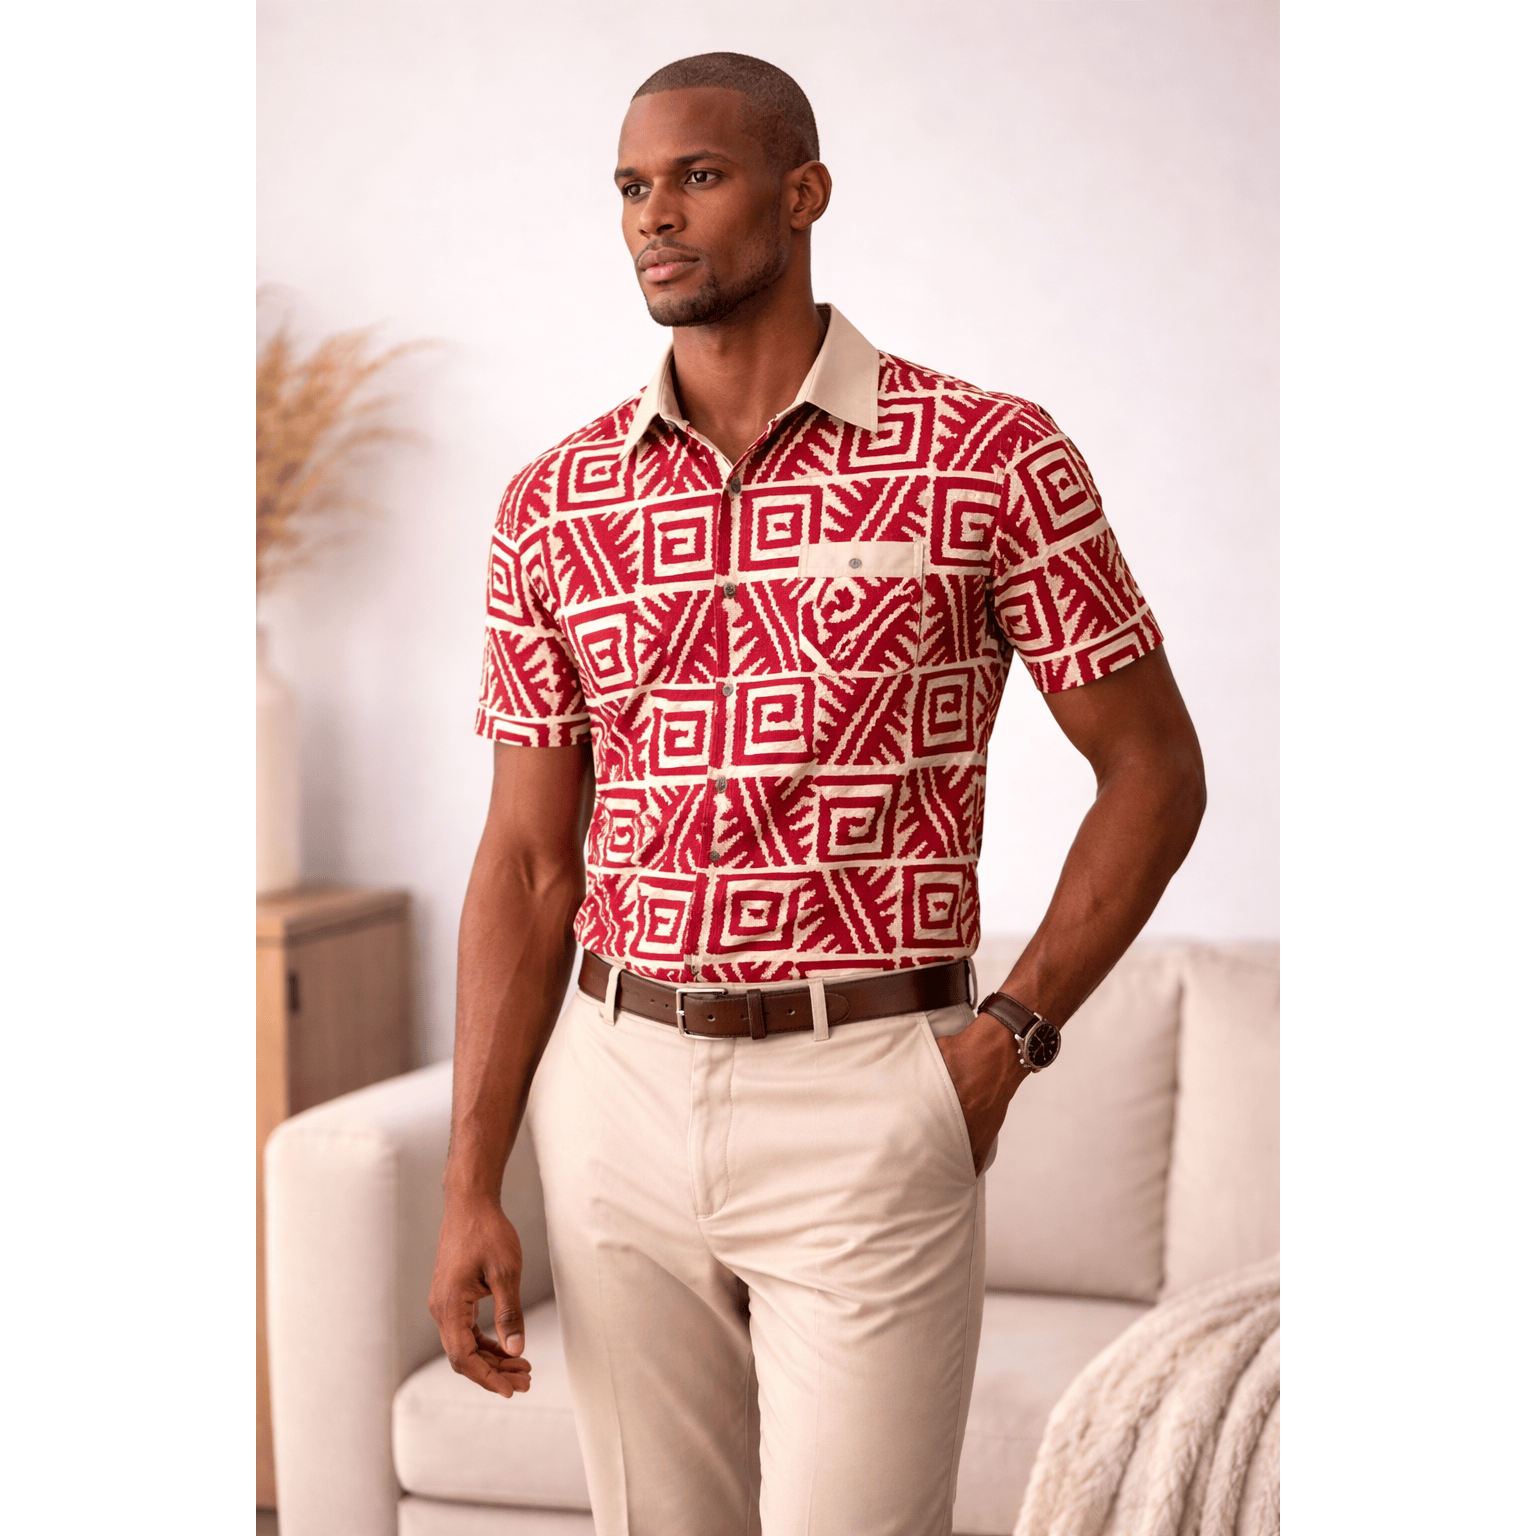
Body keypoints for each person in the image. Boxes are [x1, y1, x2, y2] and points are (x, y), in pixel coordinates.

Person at [428, 50, 1205, 1536]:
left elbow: (1156, 773)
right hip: (614, 1098)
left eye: (698, 176)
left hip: (872, 1093)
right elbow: (527, 861)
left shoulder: (988, 457)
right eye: (631, 186)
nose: (655, 215)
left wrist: (1007, 1041)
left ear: (805, 193)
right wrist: (474, 1179)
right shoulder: (554, 502)